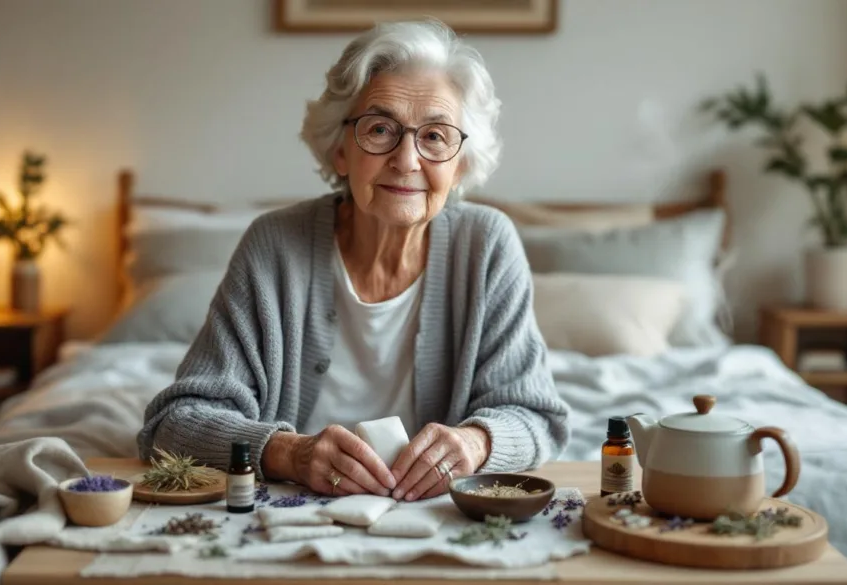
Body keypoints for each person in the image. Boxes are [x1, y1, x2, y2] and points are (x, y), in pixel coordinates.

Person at [137, 19, 570, 502]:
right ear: (340, 150)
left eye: (435, 136)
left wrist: (474, 442)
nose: (407, 160)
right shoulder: (276, 245)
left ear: (460, 163)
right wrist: (289, 453)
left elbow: (535, 416)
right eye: (380, 128)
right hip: (286, 513)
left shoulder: (487, 245)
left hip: (435, 519)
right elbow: (176, 422)